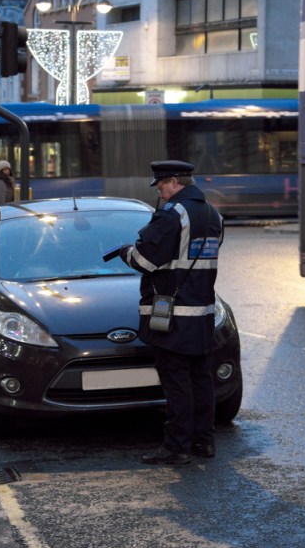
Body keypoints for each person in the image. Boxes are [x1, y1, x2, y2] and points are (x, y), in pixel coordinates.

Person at [117, 160, 223, 465]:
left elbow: (145, 260)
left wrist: (126, 252)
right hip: (202, 312)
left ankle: (177, 447)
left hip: (173, 317)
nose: (161, 193)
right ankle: (204, 442)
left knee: (176, 383)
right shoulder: (213, 213)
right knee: (201, 380)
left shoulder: (173, 214)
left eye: (162, 186)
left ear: (174, 182)